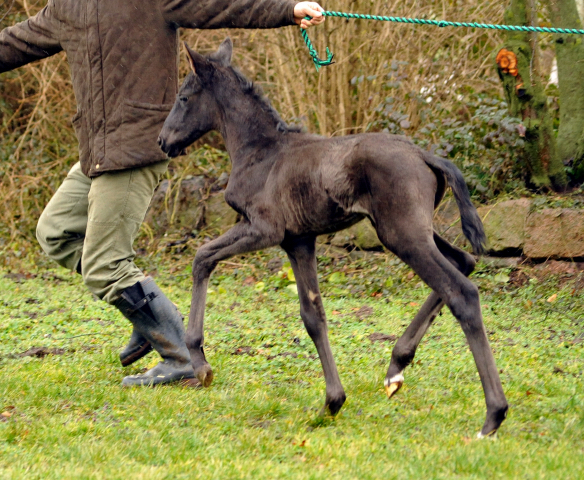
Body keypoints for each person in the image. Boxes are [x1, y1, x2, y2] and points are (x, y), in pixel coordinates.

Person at [0, 0, 325, 387]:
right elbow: (14, 43)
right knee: (56, 231)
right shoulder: (67, 8)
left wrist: (288, 10)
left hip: (138, 147)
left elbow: (221, 7)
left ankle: (181, 357)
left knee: (106, 264)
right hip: (97, 150)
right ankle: (146, 310)